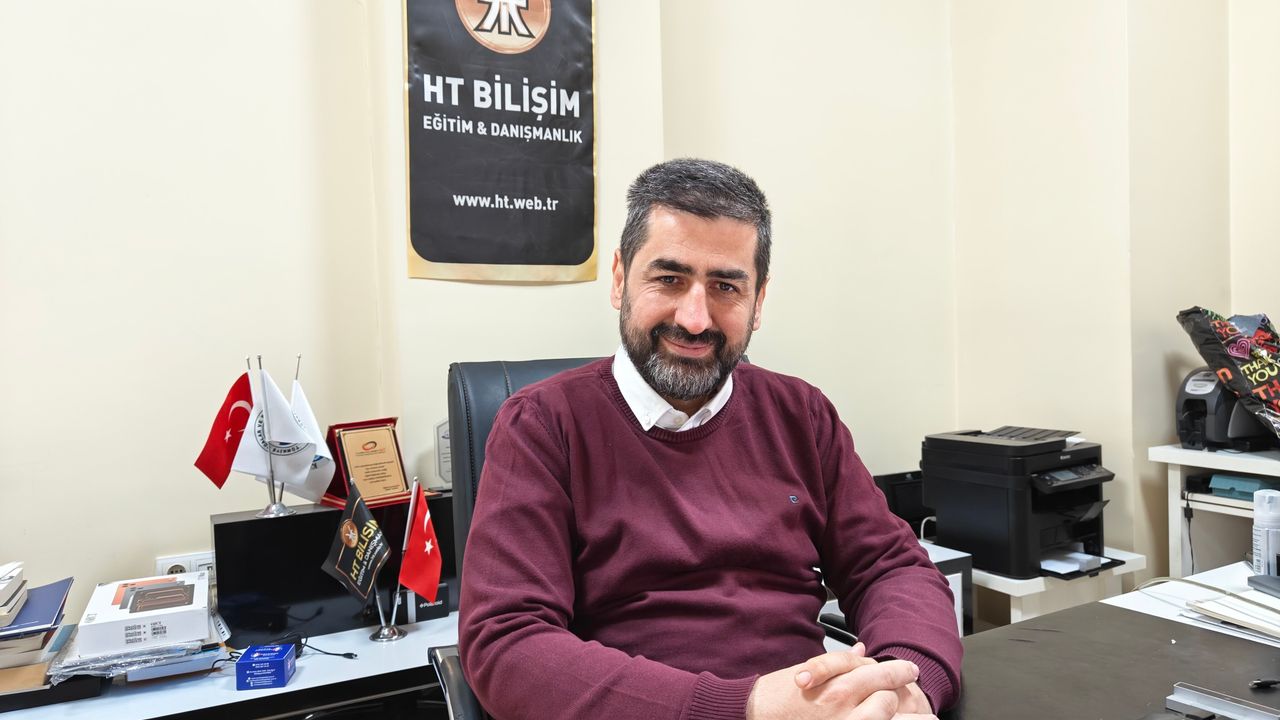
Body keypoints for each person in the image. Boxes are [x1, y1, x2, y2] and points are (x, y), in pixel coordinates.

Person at [458, 158, 962, 720]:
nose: (695, 319)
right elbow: (506, 643)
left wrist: (904, 683)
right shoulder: (542, 424)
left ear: (758, 301)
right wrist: (742, 708)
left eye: (725, 286)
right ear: (621, 279)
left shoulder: (801, 414)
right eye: (669, 279)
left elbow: (892, 568)